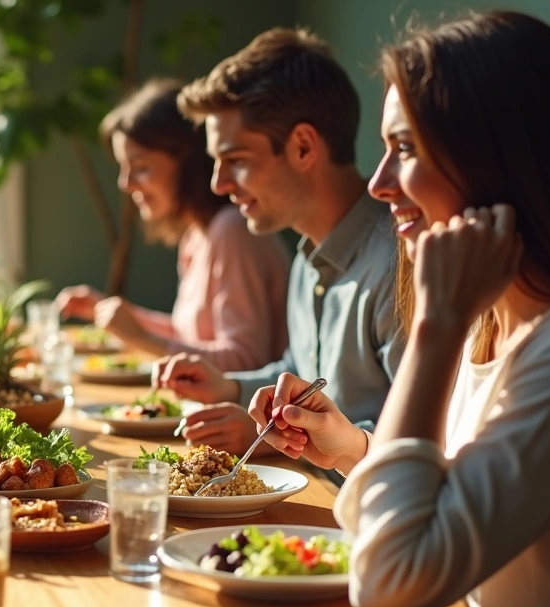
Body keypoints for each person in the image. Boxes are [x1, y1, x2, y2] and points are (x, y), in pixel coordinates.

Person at [249, 12, 550, 607]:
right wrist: (354, 452)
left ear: (497, 160)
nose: (378, 184)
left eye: (405, 150)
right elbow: (434, 507)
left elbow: (387, 576)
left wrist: (433, 327)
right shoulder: (492, 323)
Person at [151, 28, 403, 466]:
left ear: (303, 146)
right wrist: (230, 388)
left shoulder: (400, 266)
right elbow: (302, 369)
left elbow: (423, 444)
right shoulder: (307, 256)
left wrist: (268, 432)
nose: (219, 184)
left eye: (237, 161)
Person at [54, 79, 289, 372]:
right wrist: (110, 312)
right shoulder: (196, 235)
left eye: (140, 167)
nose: (125, 184)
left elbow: (245, 362)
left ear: (187, 162)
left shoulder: (233, 231)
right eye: (123, 168)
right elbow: (187, 336)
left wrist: (141, 337)